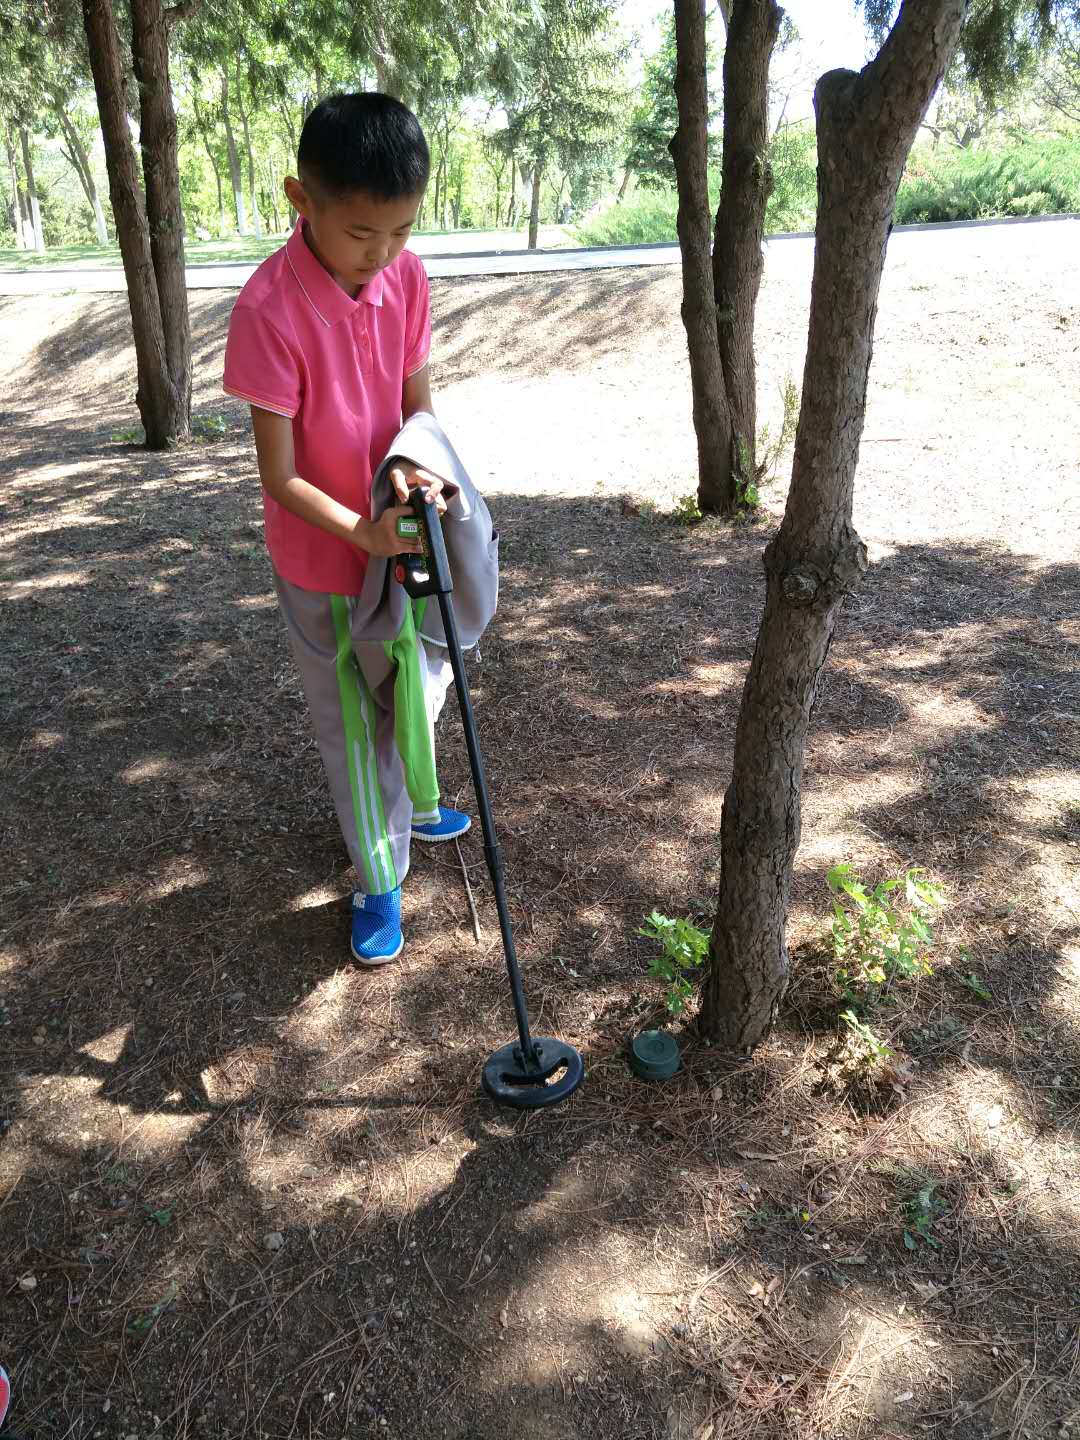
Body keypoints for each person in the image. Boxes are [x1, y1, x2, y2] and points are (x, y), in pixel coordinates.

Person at [223, 92, 471, 966]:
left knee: (414, 679)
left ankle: (414, 805)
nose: (384, 253)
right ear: (303, 199)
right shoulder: (267, 310)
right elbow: (280, 475)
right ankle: (378, 878)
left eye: (402, 229)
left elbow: (416, 407)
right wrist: (361, 535)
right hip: (324, 559)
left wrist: (418, 468)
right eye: (363, 232)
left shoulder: (408, 277)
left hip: (400, 533)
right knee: (354, 729)